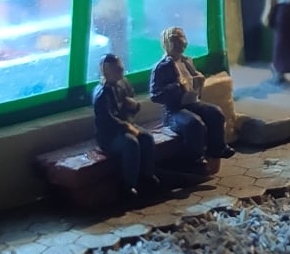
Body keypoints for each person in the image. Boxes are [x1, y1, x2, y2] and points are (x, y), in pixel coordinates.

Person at [150, 26, 236, 161]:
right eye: (176, 41)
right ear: (168, 43)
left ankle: (217, 148)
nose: (181, 44)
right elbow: (155, 95)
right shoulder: (162, 67)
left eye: (182, 39)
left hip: (192, 102)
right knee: (194, 123)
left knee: (216, 113)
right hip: (174, 110)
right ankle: (195, 158)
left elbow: (193, 81)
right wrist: (176, 86)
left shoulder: (187, 61)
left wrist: (198, 82)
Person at [92, 54, 155, 194]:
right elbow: (107, 120)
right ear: (106, 71)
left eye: (121, 68)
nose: (121, 71)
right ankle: (129, 185)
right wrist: (127, 127)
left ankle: (147, 176)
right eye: (117, 69)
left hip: (127, 125)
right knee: (131, 144)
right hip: (109, 135)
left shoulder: (123, 83)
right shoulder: (102, 93)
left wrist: (134, 106)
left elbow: (133, 104)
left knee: (147, 138)